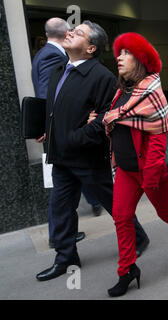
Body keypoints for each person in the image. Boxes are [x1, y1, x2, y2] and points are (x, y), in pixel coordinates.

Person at [35, 21, 150, 282]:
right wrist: (46, 128)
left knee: (114, 204)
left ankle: (139, 237)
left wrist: (75, 137)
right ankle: (65, 258)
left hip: (88, 156)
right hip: (61, 156)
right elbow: (54, 109)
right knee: (60, 209)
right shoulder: (57, 70)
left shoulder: (102, 77)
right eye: (72, 30)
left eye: (79, 33)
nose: (71, 32)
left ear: (90, 48)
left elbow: (105, 119)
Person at [102, 32, 168, 297]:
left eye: (126, 53)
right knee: (122, 217)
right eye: (119, 53)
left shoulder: (152, 93)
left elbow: (158, 143)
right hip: (126, 169)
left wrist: (150, 181)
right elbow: (117, 120)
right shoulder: (122, 92)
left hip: (153, 171)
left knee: (167, 212)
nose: (119, 58)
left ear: (141, 60)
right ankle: (127, 270)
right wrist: (103, 119)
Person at [31, 17, 95, 249]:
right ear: (66, 32)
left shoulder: (45, 52)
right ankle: (59, 236)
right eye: (73, 31)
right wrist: (47, 127)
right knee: (64, 189)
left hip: (64, 135)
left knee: (66, 187)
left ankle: (62, 236)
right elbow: (48, 93)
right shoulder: (52, 56)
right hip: (61, 134)